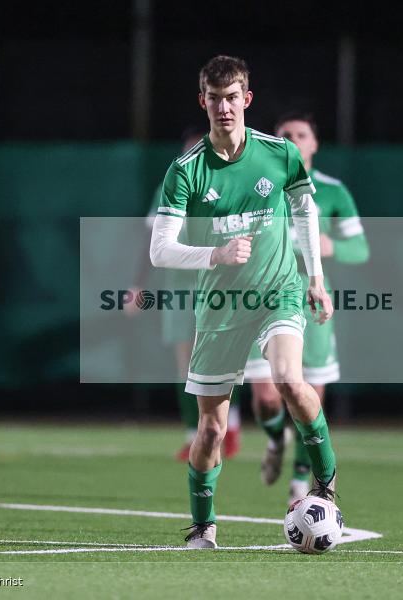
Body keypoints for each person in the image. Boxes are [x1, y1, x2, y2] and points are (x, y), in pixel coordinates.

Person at [149, 55, 338, 549]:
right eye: (215, 99)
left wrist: (314, 277)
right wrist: (216, 252)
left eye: (233, 97)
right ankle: (203, 525)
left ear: (246, 100)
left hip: (279, 291)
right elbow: (159, 248)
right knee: (211, 427)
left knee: (289, 380)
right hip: (220, 307)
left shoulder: (279, 154)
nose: (224, 107)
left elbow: (304, 207)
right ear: (203, 102)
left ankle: (324, 485)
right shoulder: (185, 171)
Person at [244, 112, 368, 504]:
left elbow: (360, 248)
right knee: (266, 397)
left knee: (307, 393)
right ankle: (274, 438)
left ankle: (301, 481)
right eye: (285, 134)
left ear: (314, 144)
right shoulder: (261, 184)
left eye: (302, 134)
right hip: (262, 296)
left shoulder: (332, 191)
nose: (293, 139)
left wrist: (330, 246)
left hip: (309, 296)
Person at [130, 127, 241, 461]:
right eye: (189, 151)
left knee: (224, 361)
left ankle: (229, 427)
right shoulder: (170, 185)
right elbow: (151, 242)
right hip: (180, 285)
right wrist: (138, 285)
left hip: (220, 284)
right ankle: (194, 435)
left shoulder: (230, 185)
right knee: (186, 364)